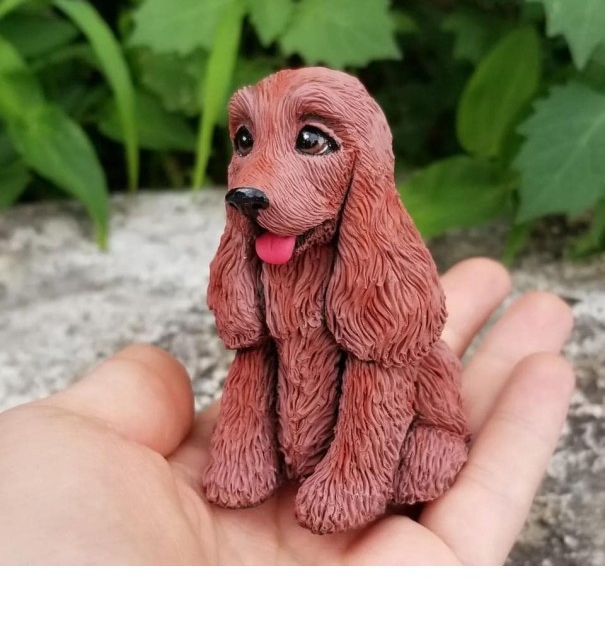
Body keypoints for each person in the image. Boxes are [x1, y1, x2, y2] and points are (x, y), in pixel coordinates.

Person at [0, 258, 574, 565]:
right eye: (245, 141)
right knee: (258, 361)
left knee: (391, 399)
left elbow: (380, 368)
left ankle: (358, 473)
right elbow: (252, 353)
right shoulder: (257, 249)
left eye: (311, 143)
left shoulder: (372, 265)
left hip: (397, 409)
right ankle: (254, 458)